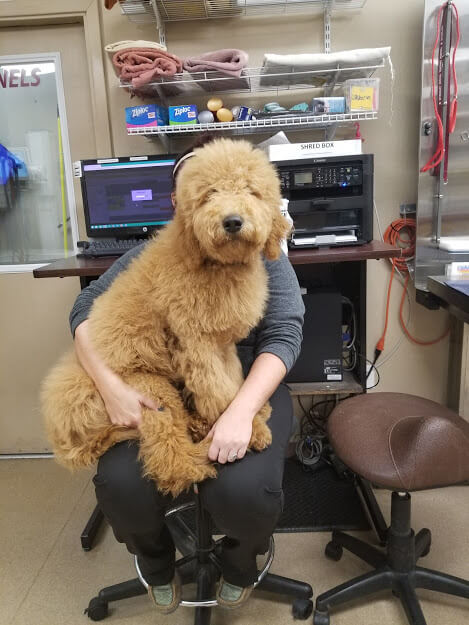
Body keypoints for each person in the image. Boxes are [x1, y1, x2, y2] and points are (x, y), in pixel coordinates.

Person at [70, 137, 304, 613]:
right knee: (121, 486)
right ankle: (155, 563)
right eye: (203, 195)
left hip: (246, 386)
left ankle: (241, 564)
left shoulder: (263, 252)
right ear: (181, 205)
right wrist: (112, 389)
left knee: (248, 492)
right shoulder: (155, 254)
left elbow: (284, 334)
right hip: (161, 385)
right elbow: (82, 311)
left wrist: (239, 412)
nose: (226, 208)